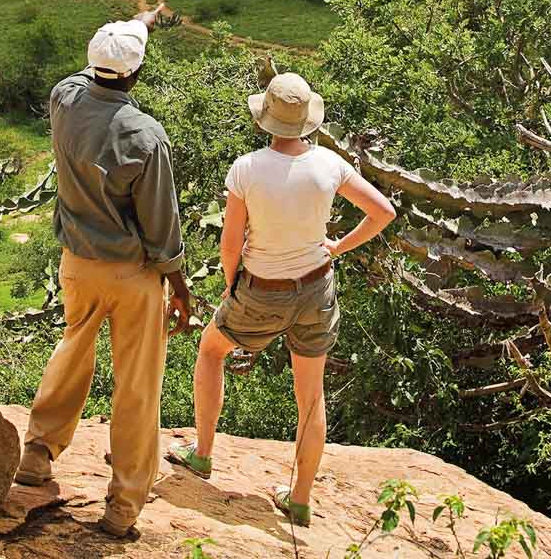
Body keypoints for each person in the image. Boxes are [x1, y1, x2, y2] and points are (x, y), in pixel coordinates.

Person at [166, 72, 396, 527]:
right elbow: (384, 212)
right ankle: (299, 499)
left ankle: (203, 453)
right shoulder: (330, 164)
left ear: (266, 119)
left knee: (211, 350)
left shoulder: (247, 168)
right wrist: (338, 246)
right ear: (307, 120)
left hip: (261, 286)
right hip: (315, 286)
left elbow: (230, 245)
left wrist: (234, 288)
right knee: (310, 396)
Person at [15, 5, 192, 540]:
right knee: (136, 385)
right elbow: (161, 225)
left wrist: (141, 21)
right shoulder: (145, 135)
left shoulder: (64, 99)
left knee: (72, 350)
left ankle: (38, 453)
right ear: (137, 73)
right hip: (133, 274)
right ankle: (122, 507)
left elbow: (100, 64)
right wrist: (179, 285)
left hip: (77, 263)